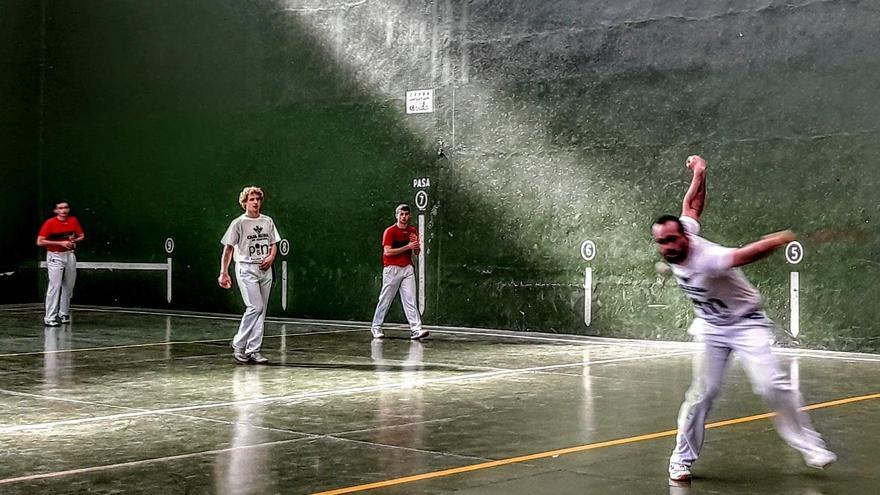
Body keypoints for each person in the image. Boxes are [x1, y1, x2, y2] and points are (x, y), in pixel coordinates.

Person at [652, 155, 836, 482]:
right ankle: (680, 459)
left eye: (672, 239)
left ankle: (812, 448)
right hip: (711, 328)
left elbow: (744, 255)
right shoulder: (683, 235)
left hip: (746, 323)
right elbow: (691, 208)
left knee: (772, 385)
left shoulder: (707, 258)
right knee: (701, 394)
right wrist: (700, 172)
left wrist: (774, 242)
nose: (667, 246)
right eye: (661, 242)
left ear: (685, 237)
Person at [218, 186, 280, 365]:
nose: (256, 202)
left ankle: (254, 350)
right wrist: (223, 272)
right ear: (244, 202)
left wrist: (271, 256)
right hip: (246, 269)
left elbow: (273, 242)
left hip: (265, 269)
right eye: (252, 199)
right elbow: (228, 249)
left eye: (258, 199)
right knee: (255, 307)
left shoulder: (267, 221)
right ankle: (239, 344)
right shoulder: (238, 223)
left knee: (262, 310)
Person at [370, 204, 428, 340]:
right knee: (385, 300)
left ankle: (416, 329)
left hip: (407, 269)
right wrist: (407, 246)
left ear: (409, 215)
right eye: (401, 214)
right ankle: (376, 327)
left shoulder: (412, 230)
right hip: (391, 269)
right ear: (396, 215)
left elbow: (417, 252)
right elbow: (388, 252)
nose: (404, 217)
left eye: (406, 214)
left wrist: (416, 246)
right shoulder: (390, 231)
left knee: (410, 300)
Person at [36, 200, 85, 326]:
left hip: (70, 256)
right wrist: (60, 243)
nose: (63, 210)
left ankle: (63, 314)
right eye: (60, 208)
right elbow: (40, 241)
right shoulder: (50, 223)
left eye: (66, 207)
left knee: (68, 286)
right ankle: (50, 317)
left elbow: (81, 235)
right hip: (55, 257)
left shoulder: (73, 221)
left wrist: (74, 241)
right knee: (55, 286)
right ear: (55, 210)